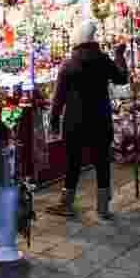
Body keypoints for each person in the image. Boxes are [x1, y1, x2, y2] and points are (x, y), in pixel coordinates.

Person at [47, 20, 128, 220]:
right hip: (101, 120)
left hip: (74, 122)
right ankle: (103, 208)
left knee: (72, 163)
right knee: (102, 161)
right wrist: (119, 55)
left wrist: (54, 121)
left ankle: (66, 204)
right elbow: (122, 78)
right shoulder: (103, 60)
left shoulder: (68, 64)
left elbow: (59, 98)